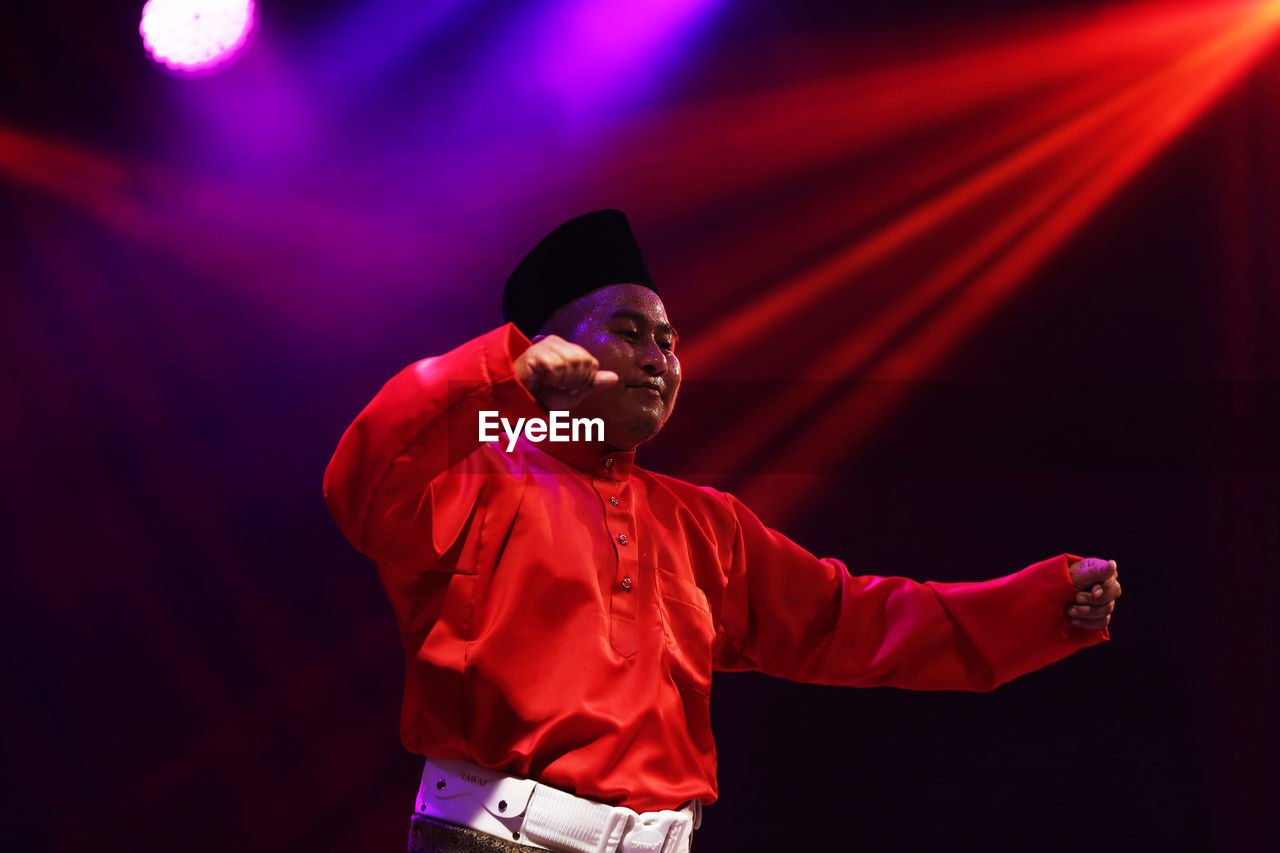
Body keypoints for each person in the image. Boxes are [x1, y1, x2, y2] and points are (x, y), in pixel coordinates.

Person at [322, 209, 1121, 853]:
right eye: (630, 331)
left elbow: (851, 620)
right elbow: (368, 474)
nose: (661, 356)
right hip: (497, 842)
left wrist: (1037, 605)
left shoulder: (703, 521)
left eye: (669, 340)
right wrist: (500, 373)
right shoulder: (485, 465)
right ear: (553, 349)